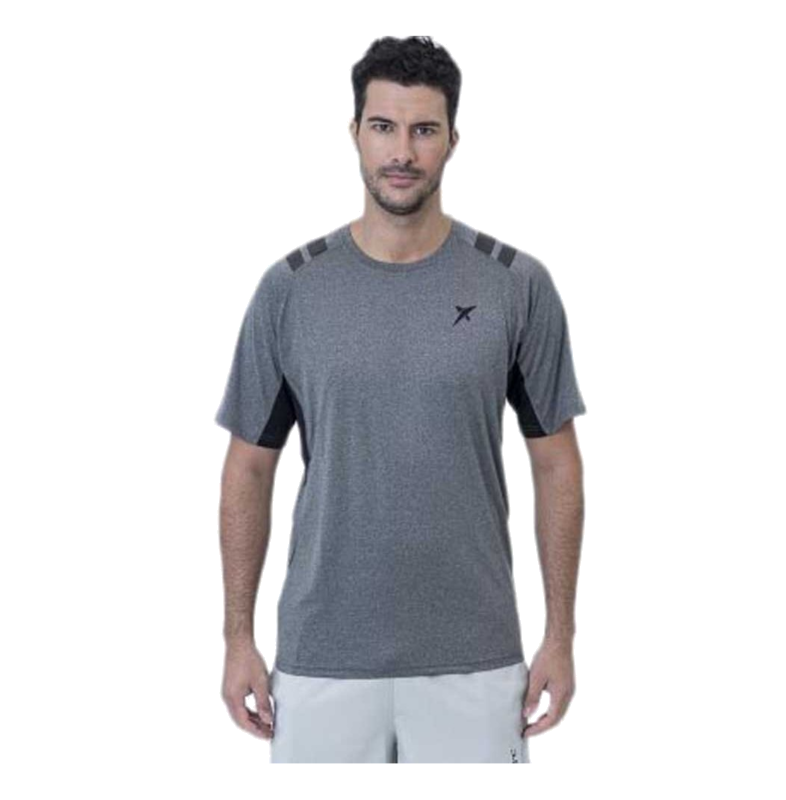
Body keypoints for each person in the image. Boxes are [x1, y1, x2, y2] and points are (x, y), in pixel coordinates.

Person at [215, 35, 587, 764]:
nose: (403, 152)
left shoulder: (516, 284)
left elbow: (557, 463)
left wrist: (561, 636)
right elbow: (248, 468)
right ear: (355, 132)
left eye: (424, 130)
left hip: (476, 662)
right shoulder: (290, 289)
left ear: (453, 139)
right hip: (321, 659)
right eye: (384, 126)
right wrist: (236, 639)